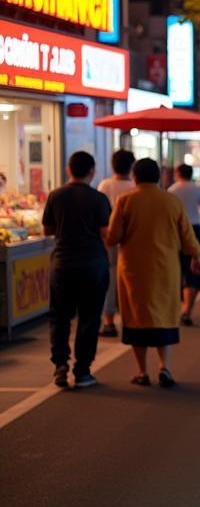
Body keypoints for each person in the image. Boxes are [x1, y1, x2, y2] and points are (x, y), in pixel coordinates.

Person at [106, 158, 200, 388]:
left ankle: (142, 372)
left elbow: (113, 236)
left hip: (133, 270)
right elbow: (188, 236)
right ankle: (165, 368)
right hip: (165, 268)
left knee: (136, 319)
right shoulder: (171, 201)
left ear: (135, 177)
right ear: (158, 177)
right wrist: (196, 257)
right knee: (163, 317)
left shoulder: (125, 201)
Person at [42, 151, 111, 389]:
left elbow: (47, 230)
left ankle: (60, 364)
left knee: (59, 316)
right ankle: (83, 371)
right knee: (89, 318)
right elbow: (106, 233)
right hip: (93, 266)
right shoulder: (99, 199)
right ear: (92, 171)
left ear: (68, 170)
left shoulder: (55, 196)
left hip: (62, 264)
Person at [97, 149, 135, 338]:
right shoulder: (135, 187)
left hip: (108, 239)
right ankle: (130, 318)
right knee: (131, 278)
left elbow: (99, 213)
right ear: (132, 166)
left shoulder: (105, 185)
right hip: (131, 240)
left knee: (109, 279)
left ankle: (109, 322)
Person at [169, 164, 200, 325]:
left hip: (177, 231)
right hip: (195, 229)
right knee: (195, 269)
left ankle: (176, 309)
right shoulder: (196, 189)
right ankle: (187, 310)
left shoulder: (172, 190)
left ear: (178, 173)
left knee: (177, 269)